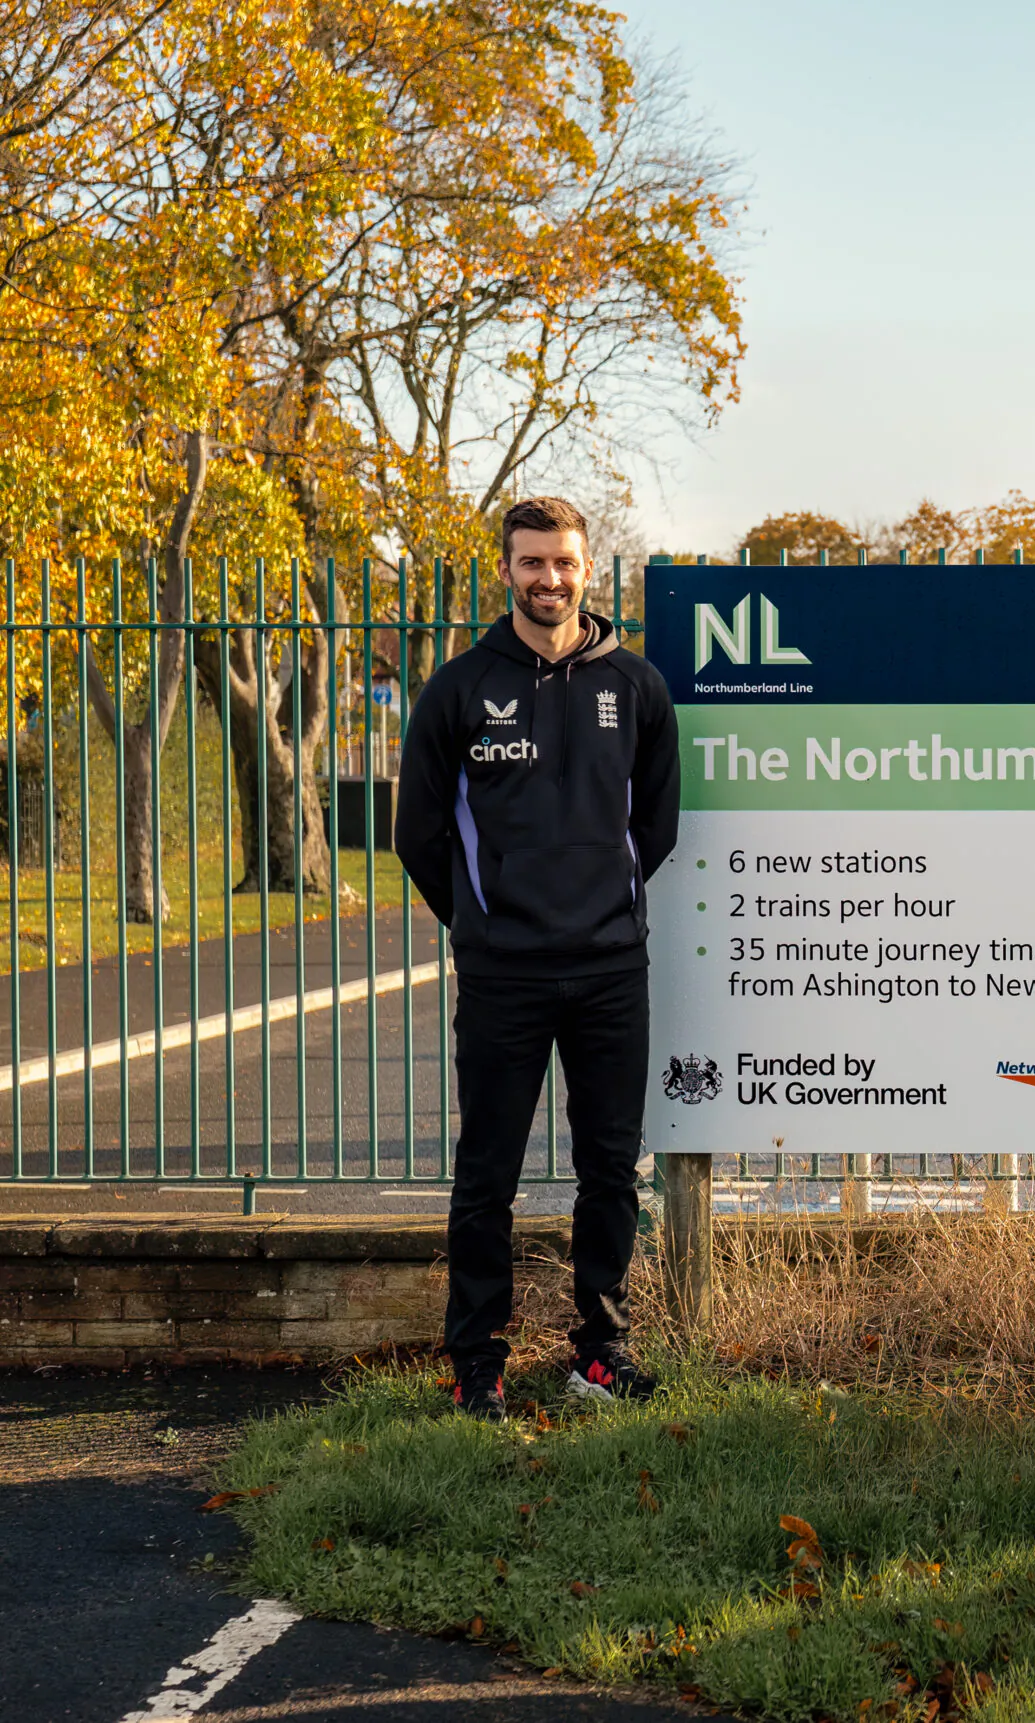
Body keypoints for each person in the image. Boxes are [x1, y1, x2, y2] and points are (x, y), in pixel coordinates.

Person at [395, 496, 680, 1420]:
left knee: (611, 1172)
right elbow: (418, 832)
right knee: (488, 1175)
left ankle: (600, 1350)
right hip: (504, 976)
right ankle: (477, 1361)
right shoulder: (461, 688)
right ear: (506, 570)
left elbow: (656, 827)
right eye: (530, 563)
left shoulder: (635, 687)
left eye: (562, 562)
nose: (547, 579)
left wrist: (604, 905)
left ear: (587, 568)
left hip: (609, 971)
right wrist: (481, 923)